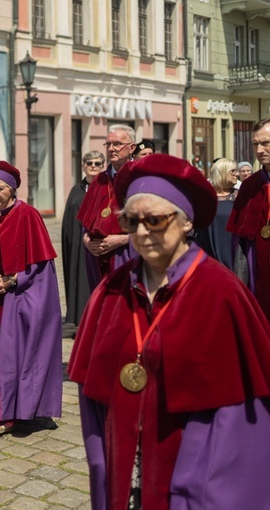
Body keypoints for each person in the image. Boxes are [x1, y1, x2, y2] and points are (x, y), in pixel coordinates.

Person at [69, 153, 270, 509]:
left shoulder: (222, 293)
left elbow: (240, 425)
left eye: (156, 220)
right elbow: (93, 400)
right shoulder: (111, 290)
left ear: (187, 223)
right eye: (132, 222)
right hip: (126, 464)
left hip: (196, 470)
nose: (143, 233)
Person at [0, 161, 63, 436]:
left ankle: (25, 410)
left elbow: (41, 266)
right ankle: (0, 411)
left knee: (23, 353)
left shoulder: (28, 215)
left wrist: (13, 279)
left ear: (12, 189)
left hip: (21, 296)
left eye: (0, 188)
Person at [77, 124, 137, 290]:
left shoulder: (141, 178)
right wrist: (87, 240)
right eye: (108, 144)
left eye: (117, 144)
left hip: (128, 256)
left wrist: (122, 240)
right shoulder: (99, 180)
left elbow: (154, 228)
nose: (111, 149)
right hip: (98, 260)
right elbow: (85, 223)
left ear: (131, 147)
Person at [227, 118, 270, 320]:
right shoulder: (249, 186)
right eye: (255, 144)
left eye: (265, 143)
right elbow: (240, 244)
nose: (259, 150)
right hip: (258, 280)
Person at [62, 151, 104, 328]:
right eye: (89, 163)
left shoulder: (106, 188)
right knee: (78, 279)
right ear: (83, 166)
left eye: (97, 164)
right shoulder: (76, 190)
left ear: (102, 166)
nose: (93, 167)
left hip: (98, 244)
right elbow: (69, 221)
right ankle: (78, 318)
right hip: (78, 246)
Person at [194, 158, 236, 267]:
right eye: (232, 171)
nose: (236, 174)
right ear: (222, 173)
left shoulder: (240, 196)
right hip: (207, 257)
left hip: (234, 258)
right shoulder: (205, 197)